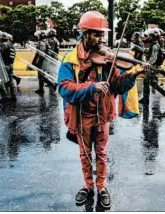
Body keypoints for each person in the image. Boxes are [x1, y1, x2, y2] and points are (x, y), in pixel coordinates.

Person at [57, 11, 150, 210]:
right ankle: (88, 186)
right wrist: (92, 87)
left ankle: (101, 187)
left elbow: (117, 85)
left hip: (103, 117)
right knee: (85, 154)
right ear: (85, 33)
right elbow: (64, 88)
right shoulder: (70, 59)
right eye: (97, 35)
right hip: (81, 117)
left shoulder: (107, 59)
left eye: (102, 35)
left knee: (101, 153)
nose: (102, 39)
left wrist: (134, 73)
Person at [140, 28, 165, 104]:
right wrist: (146, 50)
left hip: (153, 67)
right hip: (153, 66)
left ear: (153, 37)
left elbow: (153, 57)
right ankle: (145, 98)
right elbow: (151, 52)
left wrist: (149, 63)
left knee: (152, 83)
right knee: (147, 82)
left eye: (149, 36)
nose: (148, 37)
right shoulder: (153, 44)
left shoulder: (155, 46)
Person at [0, 32, 17, 101]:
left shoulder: (4, 45)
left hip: (5, 65)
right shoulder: (11, 45)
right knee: (10, 81)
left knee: (1, 81)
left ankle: (4, 97)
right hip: (10, 65)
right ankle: (13, 96)